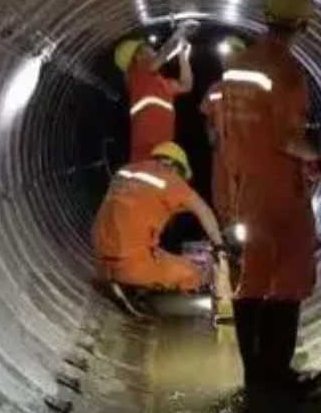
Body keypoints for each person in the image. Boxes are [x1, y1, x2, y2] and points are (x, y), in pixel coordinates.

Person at [220, 0, 321, 402]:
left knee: (253, 281)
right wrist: (319, 157)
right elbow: (285, 138)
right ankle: (278, 376)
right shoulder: (286, 71)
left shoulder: (238, 64)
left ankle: (256, 377)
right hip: (281, 191)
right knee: (289, 281)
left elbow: (229, 129)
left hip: (245, 186)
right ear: (303, 24)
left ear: (266, 16)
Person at [92, 142, 225, 292]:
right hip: (132, 268)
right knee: (192, 272)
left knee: (161, 255)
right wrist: (220, 246)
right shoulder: (171, 179)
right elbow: (204, 211)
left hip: (100, 265)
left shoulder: (125, 171)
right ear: (176, 167)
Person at [115, 38, 193, 163]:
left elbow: (186, 85)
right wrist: (179, 34)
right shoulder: (137, 76)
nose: (153, 50)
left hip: (162, 153)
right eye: (148, 48)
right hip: (145, 155)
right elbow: (162, 55)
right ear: (138, 57)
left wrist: (183, 56)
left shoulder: (160, 83)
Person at [200, 36, 247, 227]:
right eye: (223, 56)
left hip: (247, 152)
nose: (225, 60)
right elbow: (207, 118)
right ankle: (228, 238)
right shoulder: (215, 89)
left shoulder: (254, 88)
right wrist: (210, 131)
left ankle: (252, 240)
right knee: (222, 194)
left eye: (230, 55)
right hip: (222, 152)